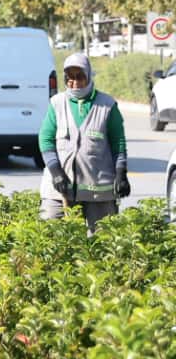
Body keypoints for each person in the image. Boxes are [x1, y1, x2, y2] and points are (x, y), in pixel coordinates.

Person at [38, 53, 128, 235]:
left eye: (80, 76)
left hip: (99, 191)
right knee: (51, 238)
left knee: (104, 243)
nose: (75, 82)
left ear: (88, 75)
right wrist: (56, 172)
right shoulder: (57, 104)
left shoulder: (107, 105)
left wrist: (121, 172)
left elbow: (118, 141)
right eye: (70, 77)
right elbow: (45, 139)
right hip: (59, 190)